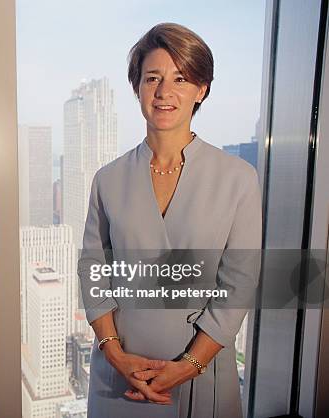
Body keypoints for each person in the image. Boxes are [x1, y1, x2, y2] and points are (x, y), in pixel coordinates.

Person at [78, 22, 262, 417]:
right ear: (137, 88)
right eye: (152, 78)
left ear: (202, 89)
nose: (164, 92)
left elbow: (240, 284)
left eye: (181, 78)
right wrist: (114, 354)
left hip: (200, 373)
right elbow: (93, 271)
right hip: (122, 375)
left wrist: (190, 365)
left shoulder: (238, 178)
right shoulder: (108, 179)